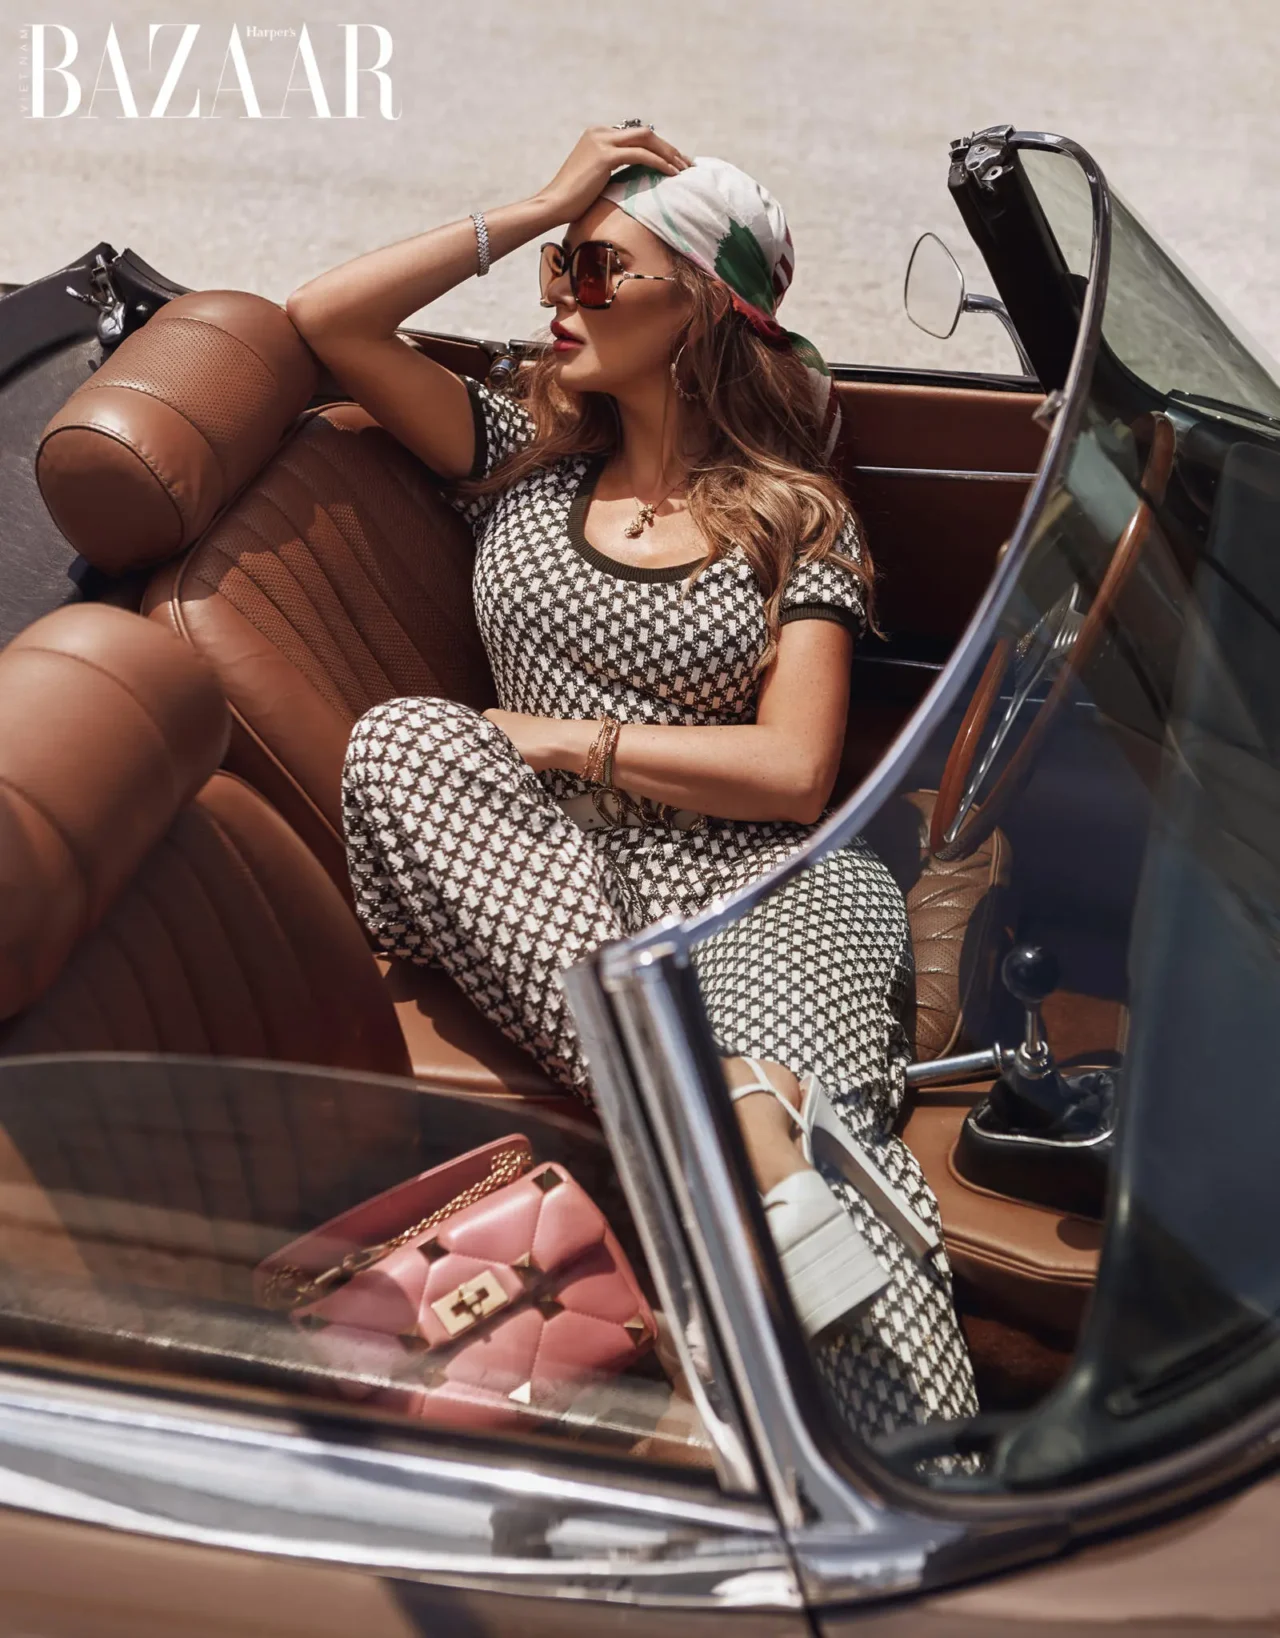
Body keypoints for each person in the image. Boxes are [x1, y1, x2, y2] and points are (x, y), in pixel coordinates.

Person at [284, 124, 977, 1444]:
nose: (560, 297)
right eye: (558, 270)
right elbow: (327, 318)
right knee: (406, 739)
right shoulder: (518, 455)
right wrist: (542, 202)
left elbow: (793, 774)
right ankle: (713, 1116)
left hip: (768, 889)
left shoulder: (795, 514)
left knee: (810, 1131)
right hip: (543, 875)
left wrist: (561, 736)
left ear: (702, 311)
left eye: (599, 270)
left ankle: (907, 1458)